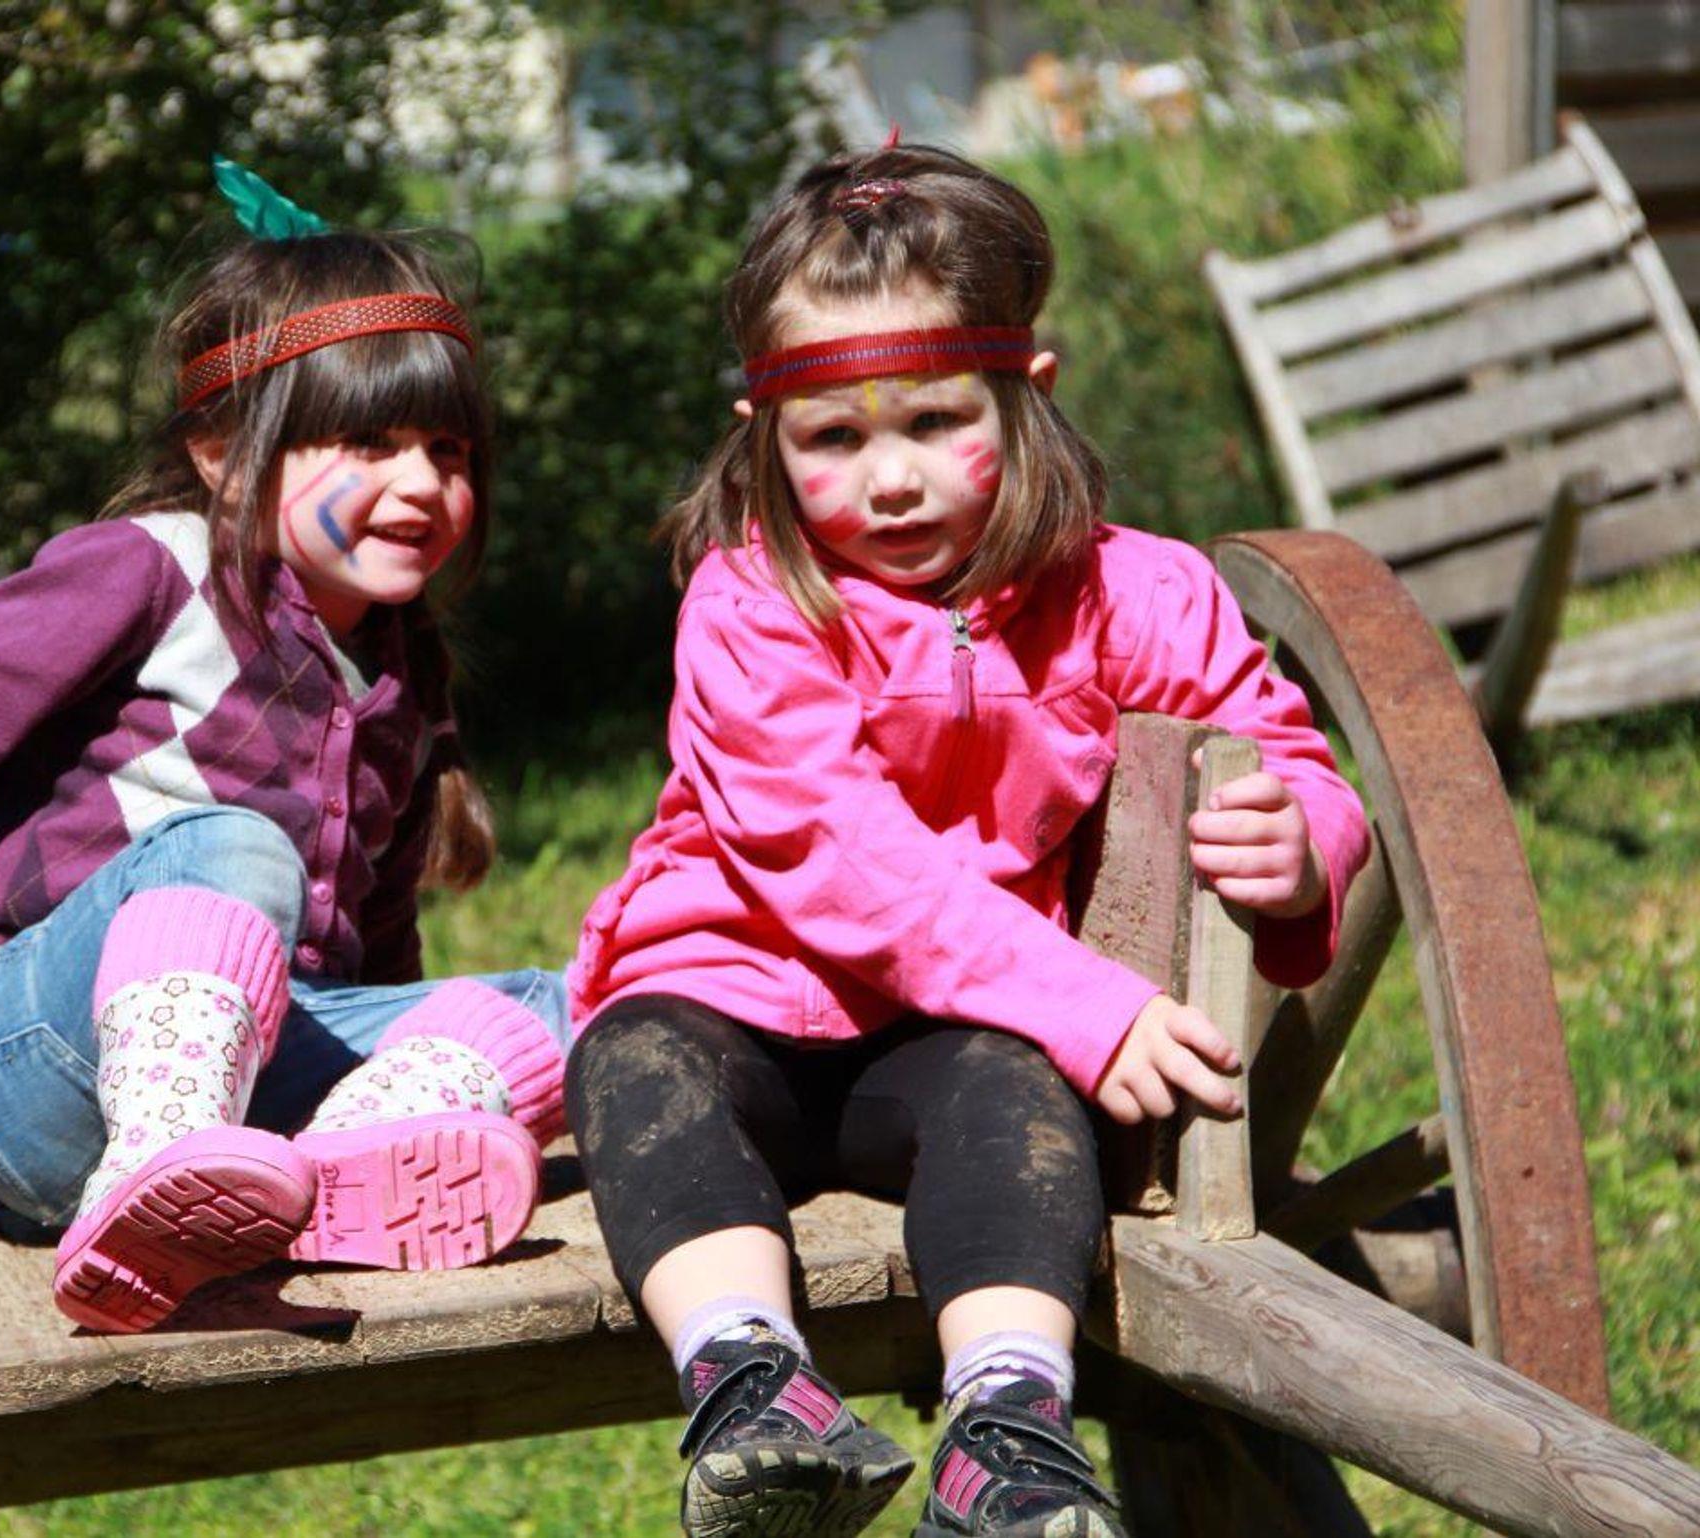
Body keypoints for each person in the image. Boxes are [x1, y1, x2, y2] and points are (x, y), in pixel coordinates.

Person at [563, 143, 1370, 1538]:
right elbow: (844, 859)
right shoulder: (751, 608)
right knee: (635, 1068)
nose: (889, 480)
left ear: (1024, 392)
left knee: (1016, 1095)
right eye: (832, 439)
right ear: (764, 434)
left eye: (935, 421)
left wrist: (1304, 841)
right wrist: (1087, 1000)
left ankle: (1007, 1433)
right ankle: (752, 1391)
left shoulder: (1132, 592)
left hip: (951, 1035)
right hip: (732, 999)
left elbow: (1279, 743)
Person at [0, 162, 569, 1335]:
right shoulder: (152, 567)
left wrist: (399, 1036)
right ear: (224, 452)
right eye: (368, 439)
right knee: (231, 846)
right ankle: (158, 1161)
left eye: (448, 449)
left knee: (551, 1006)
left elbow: (376, 933)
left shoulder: (401, 668)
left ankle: (319, 1173)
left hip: (262, 1063)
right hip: (37, 1054)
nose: (421, 482)